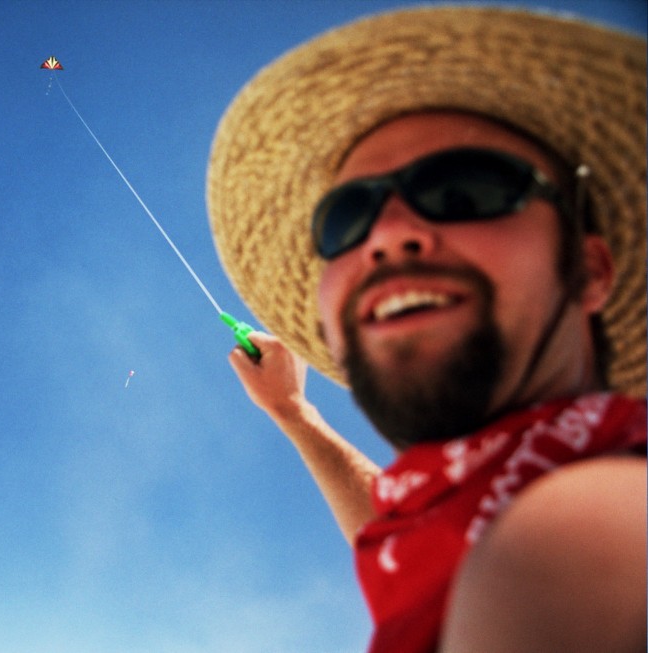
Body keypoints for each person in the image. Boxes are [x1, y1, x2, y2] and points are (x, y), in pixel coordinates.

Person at [205, 6, 646, 653]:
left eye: (463, 191)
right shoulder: (469, 512)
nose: (384, 235)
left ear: (590, 267)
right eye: (345, 218)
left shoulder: (590, 537)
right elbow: (415, 547)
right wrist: (295, 413)